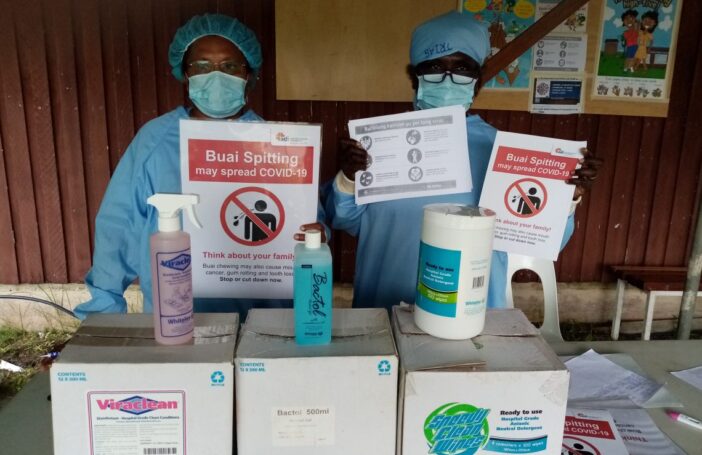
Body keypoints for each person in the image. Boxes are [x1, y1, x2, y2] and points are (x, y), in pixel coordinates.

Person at [325, 11, 601, 311]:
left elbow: (540, 238)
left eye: (462, 68)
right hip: (384, 306)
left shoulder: (505, 152)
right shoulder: (379, 142)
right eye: (434, 67)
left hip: (470, 313)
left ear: (477, 80)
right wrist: (350, 177)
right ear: (414, 76)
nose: (447, 79)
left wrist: (568, 195)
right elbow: (345, 220)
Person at [75, 14, 326, 319]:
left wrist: (315, 233)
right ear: (184, 73)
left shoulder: (278, 142)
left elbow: (308, 220)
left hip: (267, 316)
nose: (216, 76)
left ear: (249, 75)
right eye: (202, 67)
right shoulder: (156, 140)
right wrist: (103, 312)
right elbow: (119, 226)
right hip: (177, 315)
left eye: (230, 66)